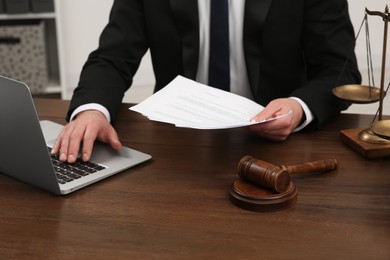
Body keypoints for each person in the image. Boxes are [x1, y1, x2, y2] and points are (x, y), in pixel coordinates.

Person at [52, 0, 361, 163]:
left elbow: (340, 70)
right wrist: (92, 111)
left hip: (279, 148)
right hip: (178, 147)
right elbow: (112, 56)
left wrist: (298, 107)